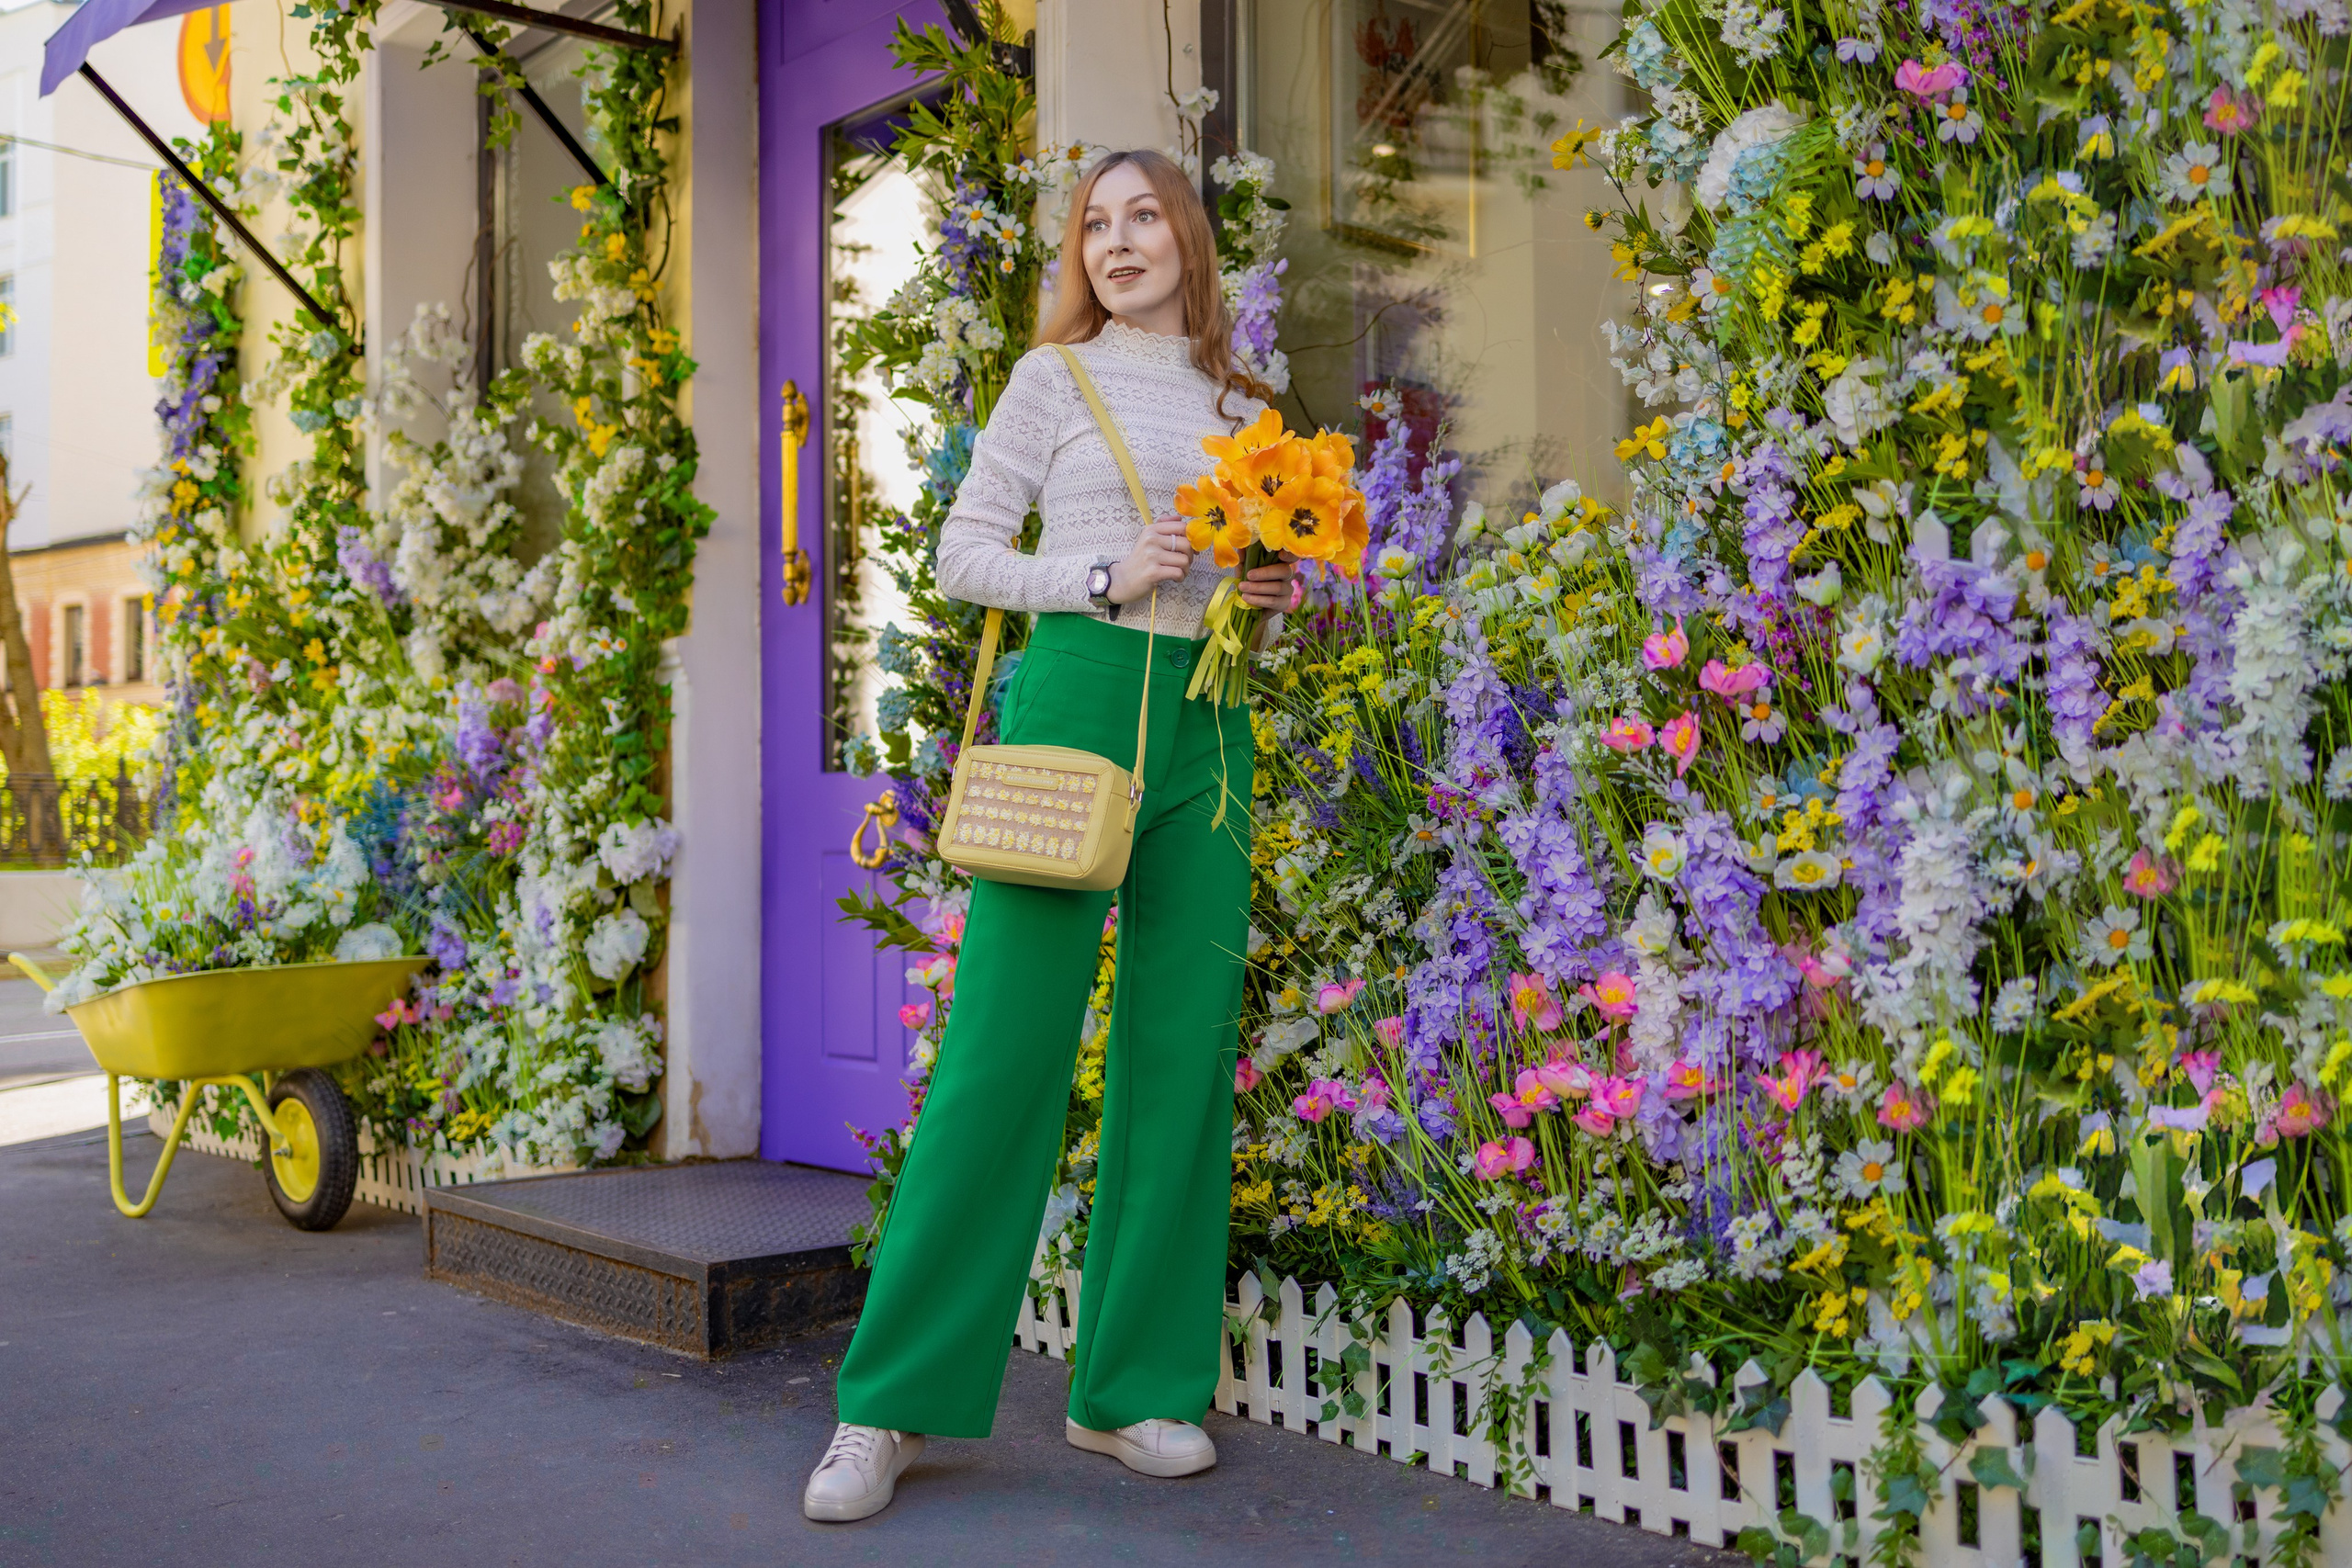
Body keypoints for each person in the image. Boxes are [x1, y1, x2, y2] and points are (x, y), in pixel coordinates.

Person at [802, 149, 1298, 1523]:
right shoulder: (1049, 379)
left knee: (1182, 1048)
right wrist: (1099, 572)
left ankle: (1133, 1387)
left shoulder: (1246, 404)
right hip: (1077, 696)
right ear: (1076, 253)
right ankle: (886, 1406)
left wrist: (1265, 585)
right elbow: (961, 556)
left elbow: (1249, 576)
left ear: (1190, 241)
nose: (1120, 241)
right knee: (1001, 1050)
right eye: (1097, 224)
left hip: (1210, 718)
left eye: (1146, 218)